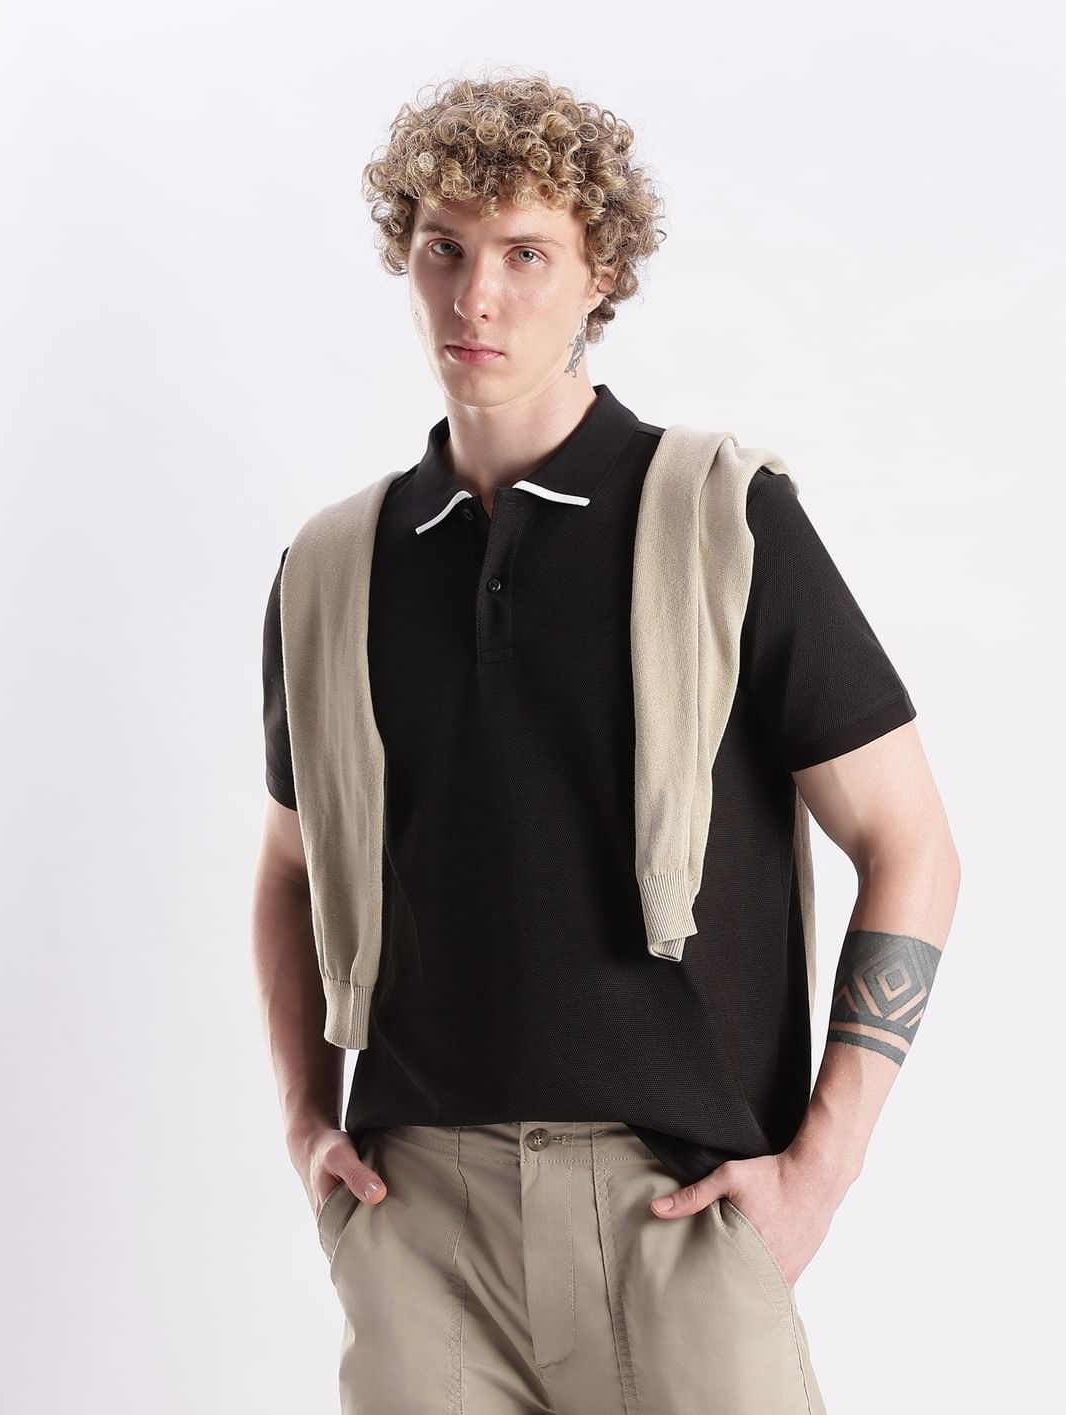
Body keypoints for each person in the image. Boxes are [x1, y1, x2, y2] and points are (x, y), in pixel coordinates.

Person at [251, 70, 960, 1415]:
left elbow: (910, 843)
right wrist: (303, 1123)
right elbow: (290, 868)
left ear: (602, 276)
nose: (476, 299)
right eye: (444, 249)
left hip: (675, 1214)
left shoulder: (722, 518)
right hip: (416, 1226)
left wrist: (826, 1166)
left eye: (525, 254)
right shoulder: (334, 567)